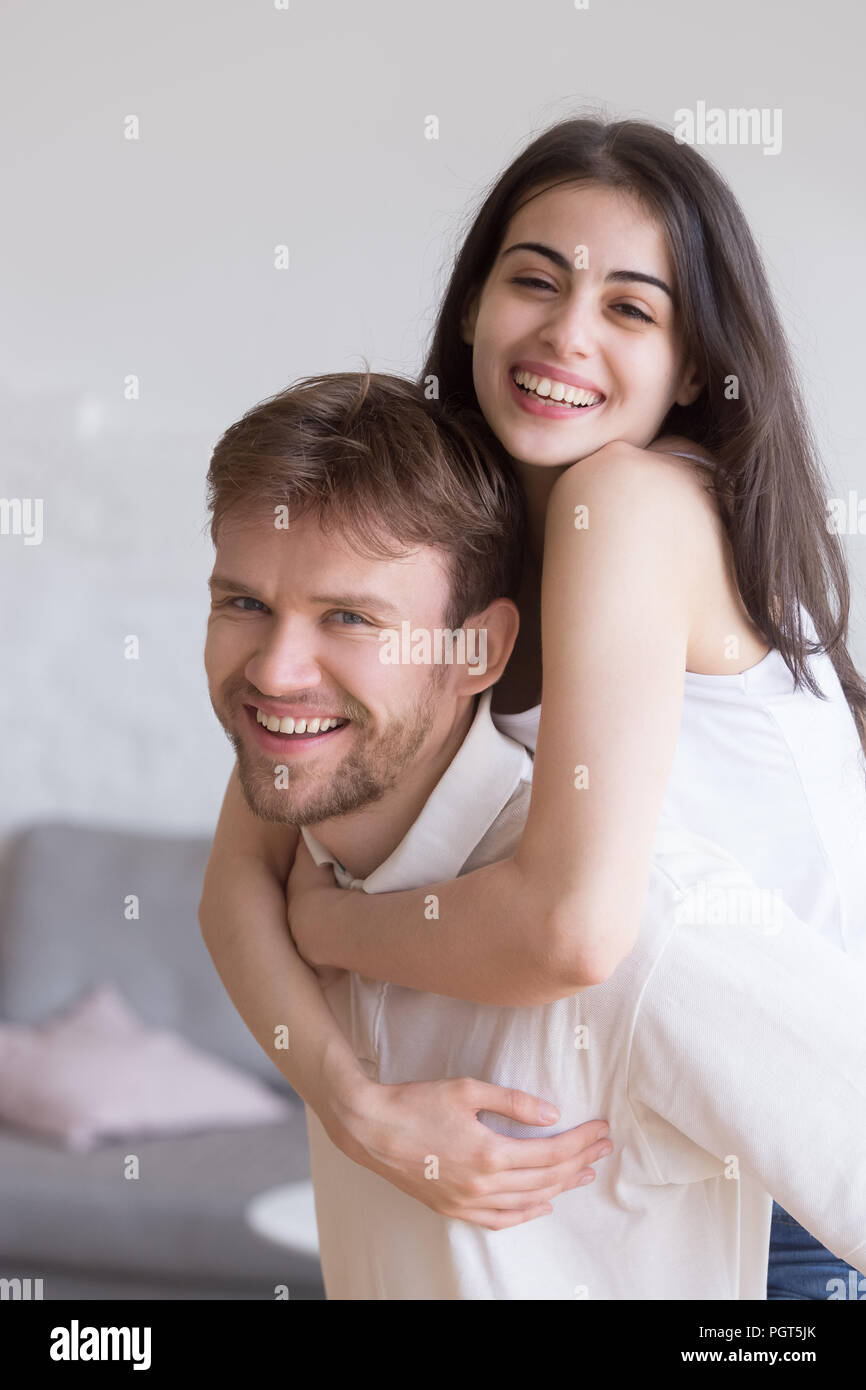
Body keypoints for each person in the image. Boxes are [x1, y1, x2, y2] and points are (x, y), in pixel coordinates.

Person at [199, 115, 866, 1297]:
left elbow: (571, 930)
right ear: (471, 305)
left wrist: (337, 928)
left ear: (692, 364)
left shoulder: (626, 501)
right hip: (645, 1146)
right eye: (534, 281)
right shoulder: (456, 522)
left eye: (630, 307)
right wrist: (360, 1108)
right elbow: (238, 879)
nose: (565, 333)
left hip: (774, 1191)